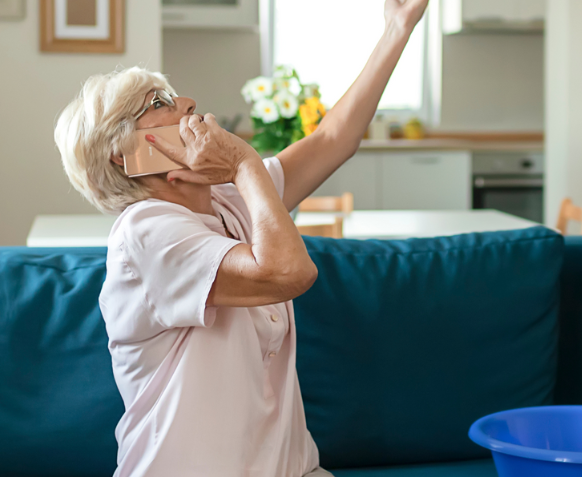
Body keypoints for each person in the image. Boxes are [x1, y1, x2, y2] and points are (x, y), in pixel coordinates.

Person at [51, 1, 429, 476]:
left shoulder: (229, 200)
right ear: (126, 157)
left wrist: (398, 28)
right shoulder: (145, 231)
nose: (187, 103)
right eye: (160, 104)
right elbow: (288, 271)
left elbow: (334, 139)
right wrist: (246, 165)